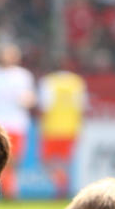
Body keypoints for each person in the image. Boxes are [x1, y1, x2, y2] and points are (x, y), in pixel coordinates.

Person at [0, 41, 36, 199]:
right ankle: (6, 191)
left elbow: (30, 98)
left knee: (13, 160)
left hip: (16, 123)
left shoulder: (22, 75)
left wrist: (26, 100)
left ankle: (7, 189)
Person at [37, 65, 87, 199]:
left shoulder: (48, 82)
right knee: (65, 162)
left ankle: (61, 186)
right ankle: (62, 186)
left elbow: (45, 105)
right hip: (71, 127)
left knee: (47, 161)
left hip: (52, 127)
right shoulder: (76, 82)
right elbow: (81, 106)